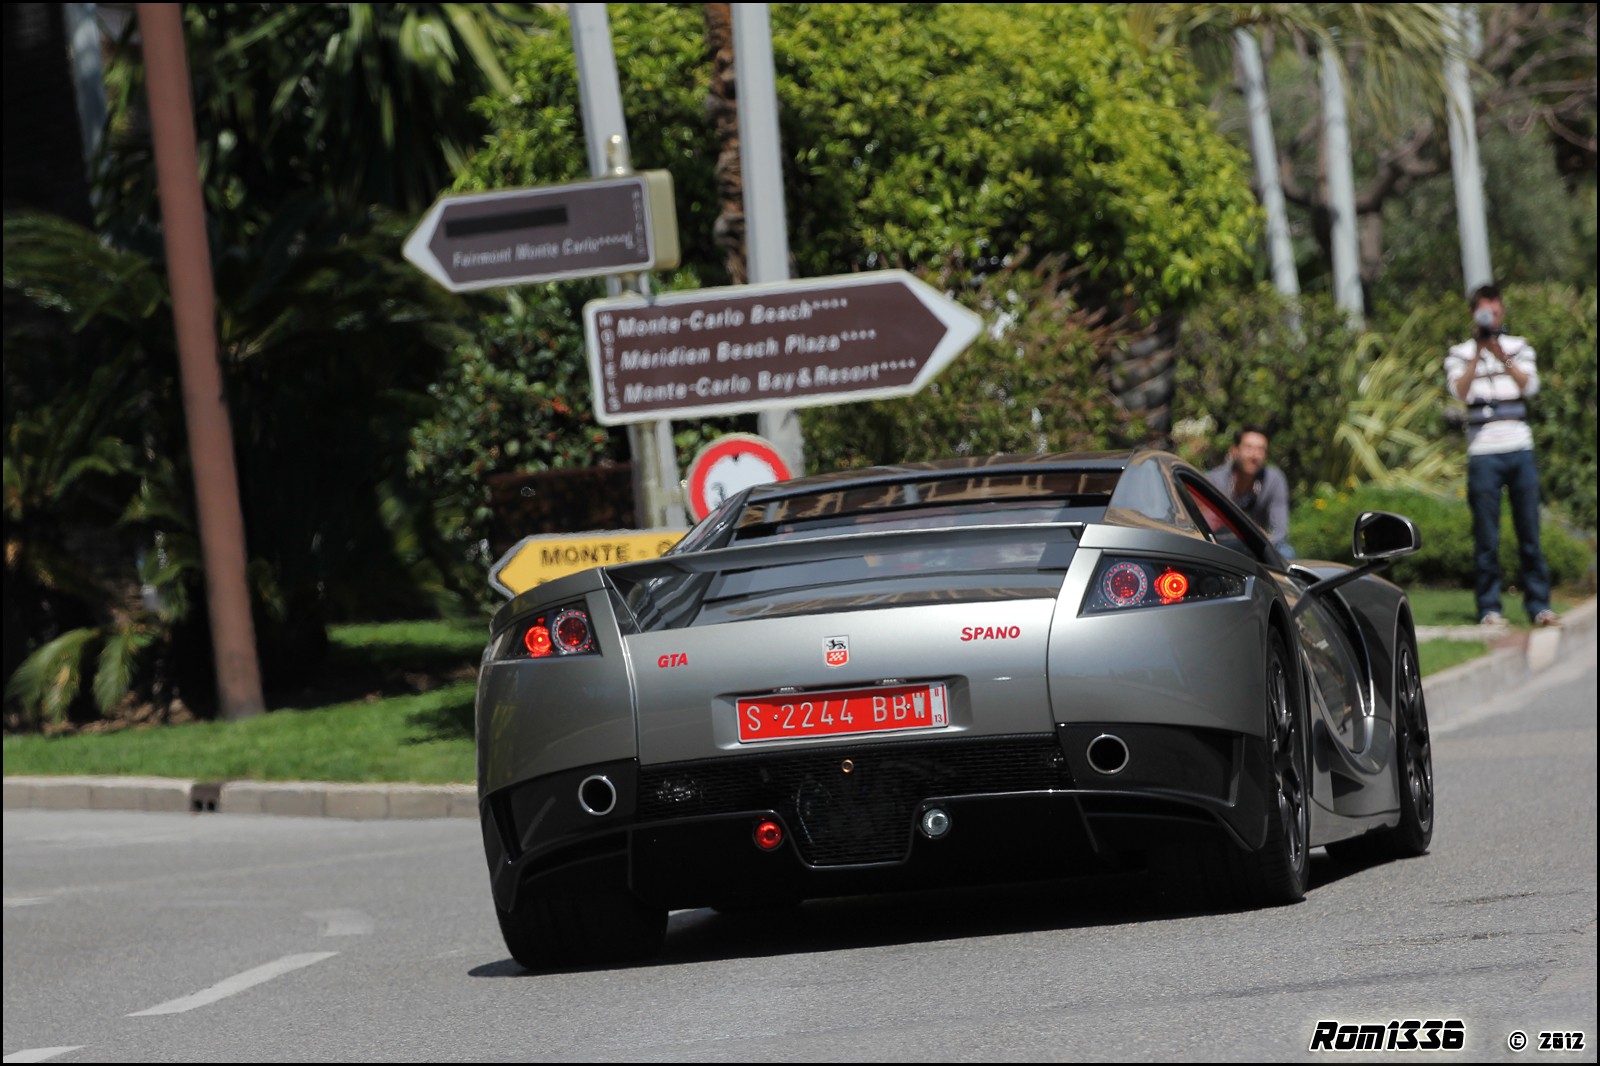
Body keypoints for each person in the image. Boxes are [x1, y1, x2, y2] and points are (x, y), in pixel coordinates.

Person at [1445, 283, 1558, 628]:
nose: (1490, 317)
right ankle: (1489, 608)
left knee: (1529, 531)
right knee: (1486, 536)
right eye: (1483, 312)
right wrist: (1479, 352)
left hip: (1519, 446)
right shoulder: (1460, 353)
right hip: (1483, 451)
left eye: (1494, 311)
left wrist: (1499, 352)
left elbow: (1530, 386)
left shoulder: (1518, 347)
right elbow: (1458, 392)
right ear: (1473, 314)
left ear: (1502, 311)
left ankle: (1539, 605)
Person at [1206, 425, 1295, 558]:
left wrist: (1262, 540)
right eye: (1249, 448)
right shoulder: (1216, 480)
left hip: (1258, 546)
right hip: (1221, 544)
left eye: (1261, 450)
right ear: (1234, 451)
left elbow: (1280, 531)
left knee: (1286, 552)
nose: (1254, 455)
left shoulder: (1274, 479)